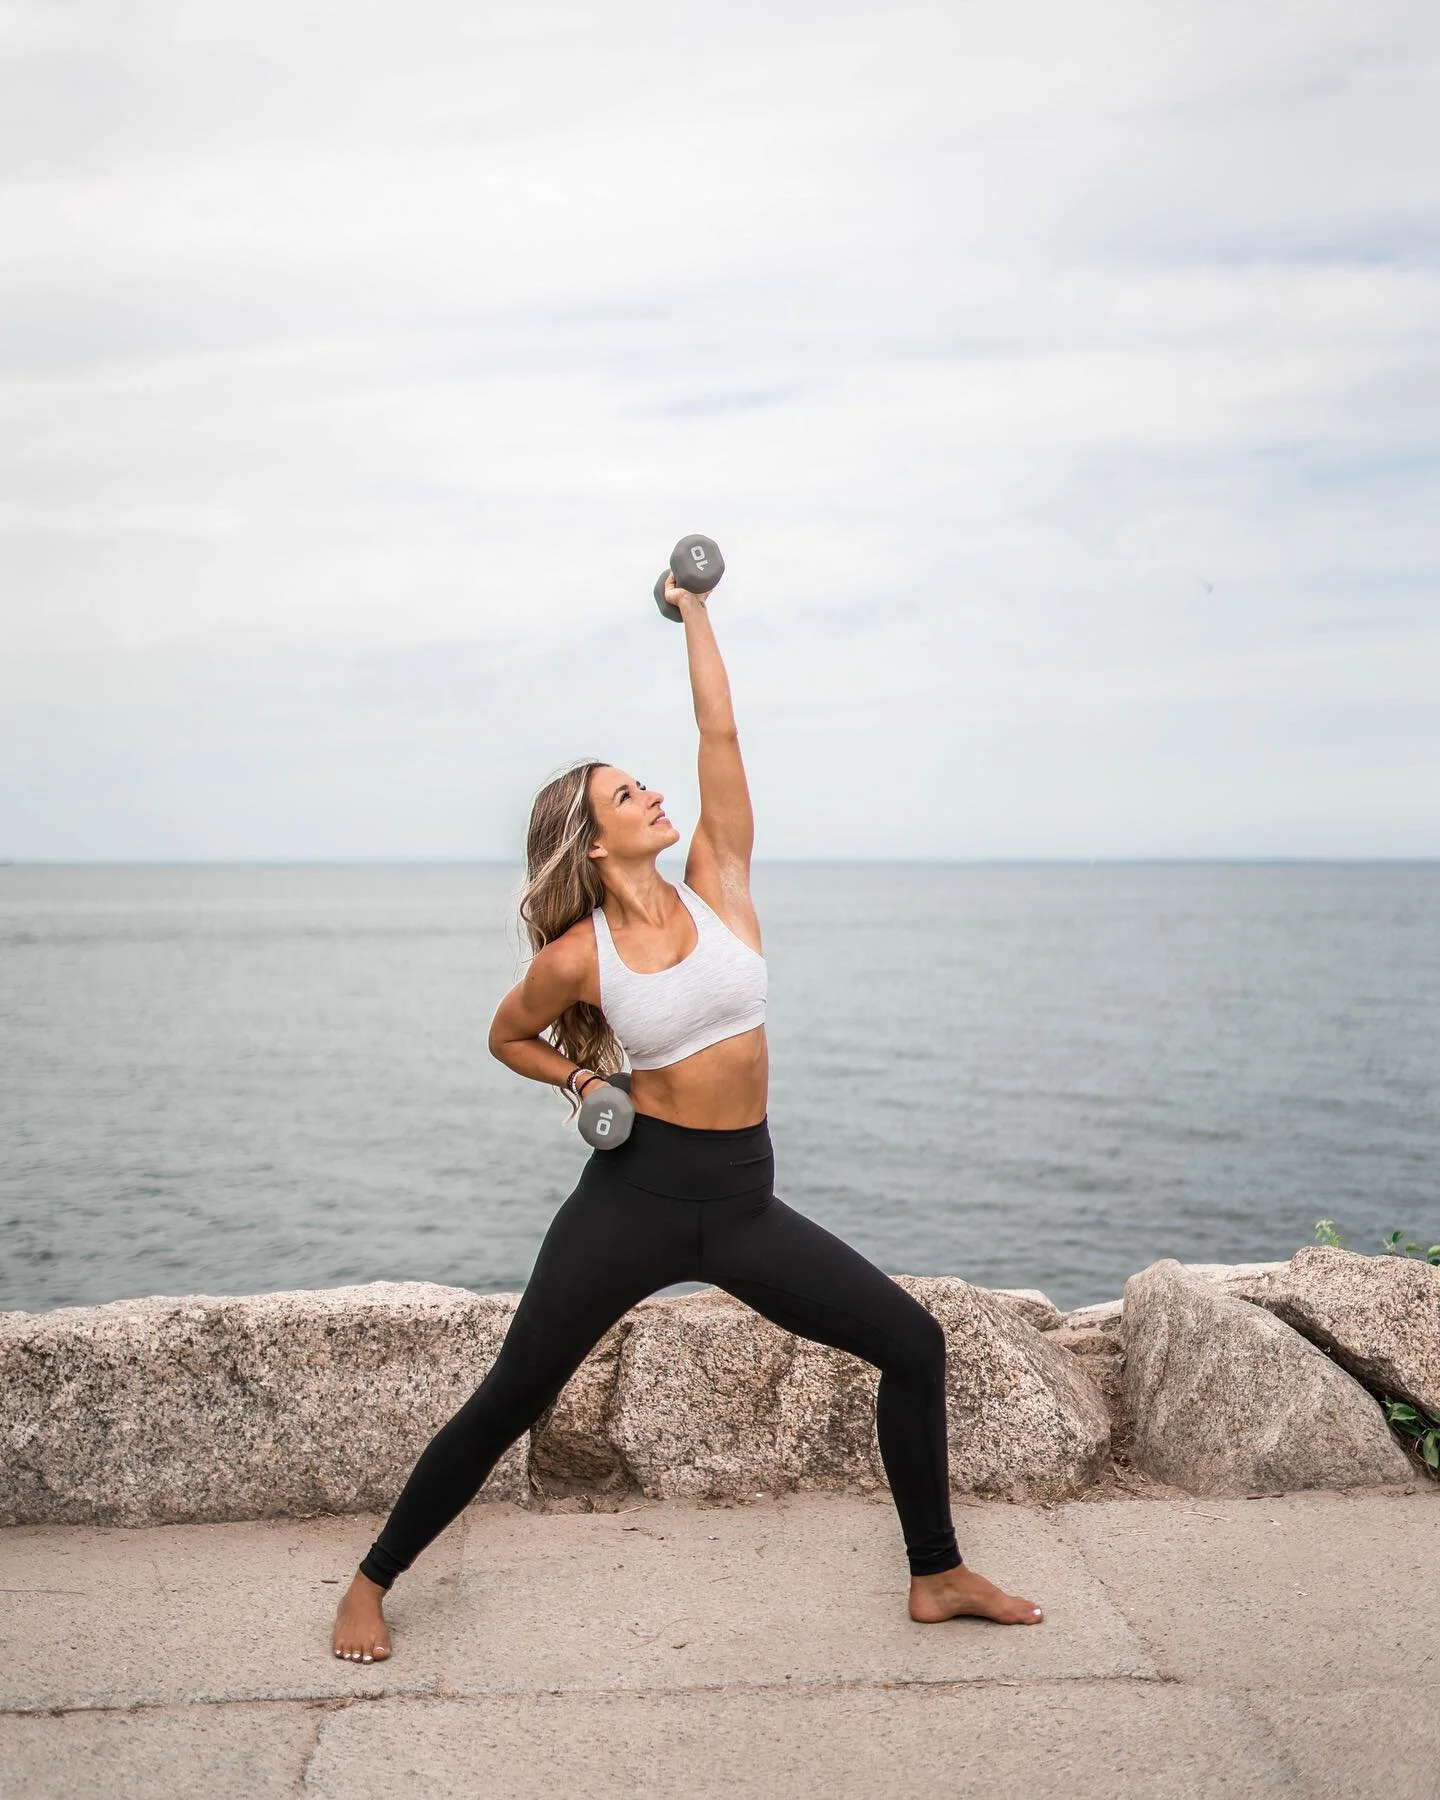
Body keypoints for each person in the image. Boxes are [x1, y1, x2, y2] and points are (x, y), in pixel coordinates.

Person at [331, 570, 1043, 1662]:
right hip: (637, 1200)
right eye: (627, 797)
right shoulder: (578, 957)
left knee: (912, 1343)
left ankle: (938, 1574)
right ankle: (372, 1583)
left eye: (645, 785)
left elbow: (721, 728)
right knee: (515, 1394)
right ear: (593, 844)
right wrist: (580, 1084)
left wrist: (692, 610)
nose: (654, 797)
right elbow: (506, 1037)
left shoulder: (721, 881)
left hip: (743, 1202)